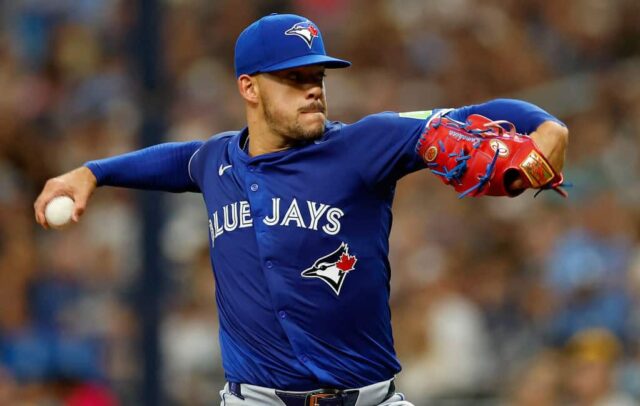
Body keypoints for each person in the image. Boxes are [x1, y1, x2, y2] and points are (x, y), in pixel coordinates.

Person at [34, 13, 568, 406]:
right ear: (248, 87)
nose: (312, 90)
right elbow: (175, 161)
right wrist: (93, 173)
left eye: (318, 77)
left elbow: (474, 114)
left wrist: (547, 126)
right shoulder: (217, 159)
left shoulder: (366, 144)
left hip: (368, 398)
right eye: (293, 79)